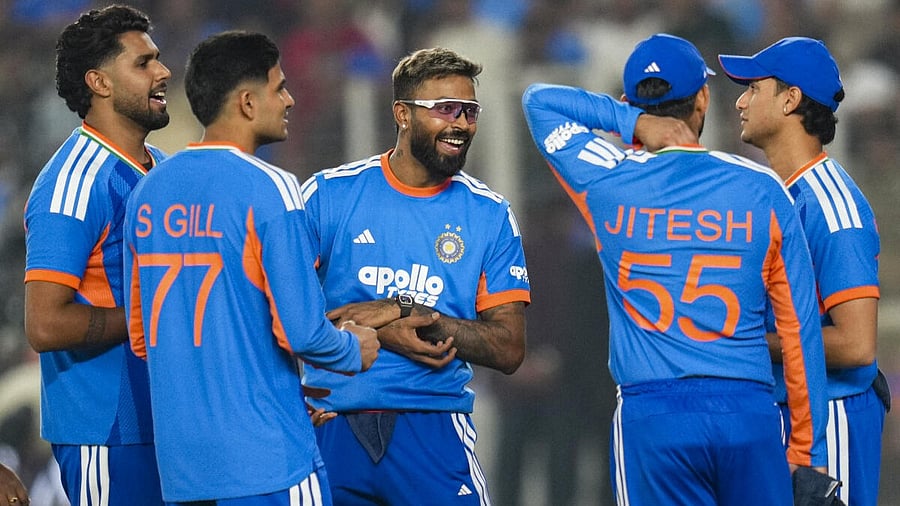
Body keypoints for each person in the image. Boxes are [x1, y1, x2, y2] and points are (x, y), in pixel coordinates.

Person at [521, 33, 829, 505]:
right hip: (748, 414)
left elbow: (539, 101)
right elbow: (800, 329)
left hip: (654, 417)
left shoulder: (606, 179)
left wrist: (633, 123)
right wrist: (808, 451)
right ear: (703, 98)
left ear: (629, 102)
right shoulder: (761, 187)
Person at [122, 31, 380, 505]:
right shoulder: (271, 187)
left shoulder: (147, 192)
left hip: (184, 471)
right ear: (246, 102)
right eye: (279, 87)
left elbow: (142, 339)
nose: (290, 99)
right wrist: (354, 349)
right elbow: (303, 334)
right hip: (269, 461)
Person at [300, 46, 530, 504]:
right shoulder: (327, 195)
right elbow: (275, 313)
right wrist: (382, 335)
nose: (461, 124)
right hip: (330, 425)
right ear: (402, 114)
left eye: (470, 111)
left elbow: (508, 348)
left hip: (434, 427)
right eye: (445, 109)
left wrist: (406, 312)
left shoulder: (489, 214)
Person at [719, 37, 885, 505]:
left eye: (754, 88)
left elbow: (856, 344)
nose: (740, 102)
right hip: (791, 412)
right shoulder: (780, 193)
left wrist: (742, 342)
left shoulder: (832, 205)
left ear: (790, 99)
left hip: (833, 415)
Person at [23, 5, 170, 504]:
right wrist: (150, 317)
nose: (163, 72)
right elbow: (45, 325)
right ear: (99, 82)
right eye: (143, 62)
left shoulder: (161, 169)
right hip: (107, 436)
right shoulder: (73, 183)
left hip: (170, 426)